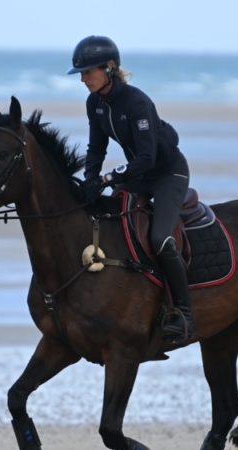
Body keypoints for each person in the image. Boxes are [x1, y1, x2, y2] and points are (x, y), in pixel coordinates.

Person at [69, 35, 195, 344]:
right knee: (106, 224)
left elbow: (147, 158)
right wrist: (90, 179)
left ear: (109, 68)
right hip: (138, 176)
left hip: (167, 174)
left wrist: (109, 179)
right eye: (82, 74)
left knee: (161, 239)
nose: (84, 79)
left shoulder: (137, 102)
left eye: (88, 72)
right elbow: (96, 148)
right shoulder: (94, 103)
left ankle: (184, 311)